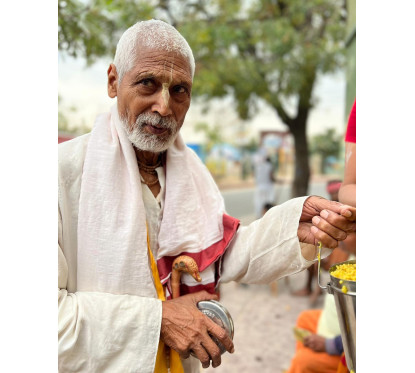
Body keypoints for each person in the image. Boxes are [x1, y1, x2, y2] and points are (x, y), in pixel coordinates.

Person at [58, 20, 356, 373]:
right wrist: (161, 319)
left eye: (180, 90)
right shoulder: (60, 175)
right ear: (113, 81)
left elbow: (220, 255)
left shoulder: (190, 171)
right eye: (148, 83)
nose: (164, 107)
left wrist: (295, 226)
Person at [292, 180, 349, 305]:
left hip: (342, 250)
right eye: (332, 192)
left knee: (317, 257)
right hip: (328, 247)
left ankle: (316, 289)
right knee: (312, 256)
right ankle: (310, 287)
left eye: (336, 191)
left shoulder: (348, 208)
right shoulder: (328, 207)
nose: (334, 194)